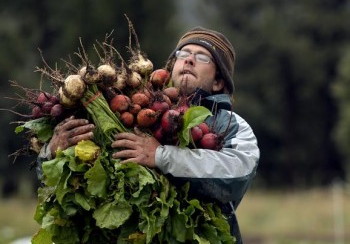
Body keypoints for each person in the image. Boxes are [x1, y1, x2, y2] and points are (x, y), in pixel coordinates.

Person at [37, 27, 260, 243]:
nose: (189, 60)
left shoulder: (230, 124)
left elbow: (238, 171)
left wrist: (161, 156)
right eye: (183, 54)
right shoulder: (133, 105)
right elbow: (54, 179)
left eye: (202, 57)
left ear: (219, 82)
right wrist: (52, 152)